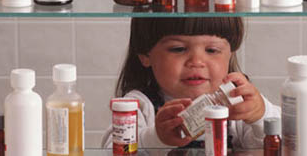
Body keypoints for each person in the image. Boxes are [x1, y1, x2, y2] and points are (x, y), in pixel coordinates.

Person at [101, 17, 281, 149]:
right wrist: (156, 138)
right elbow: (112, 150)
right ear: (145, 55)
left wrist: (259, 115)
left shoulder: (238, 103)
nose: (196, 61)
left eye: (212, 50)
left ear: (231, 54)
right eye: (178, 49)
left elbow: (288, 143)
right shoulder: (137, 106)